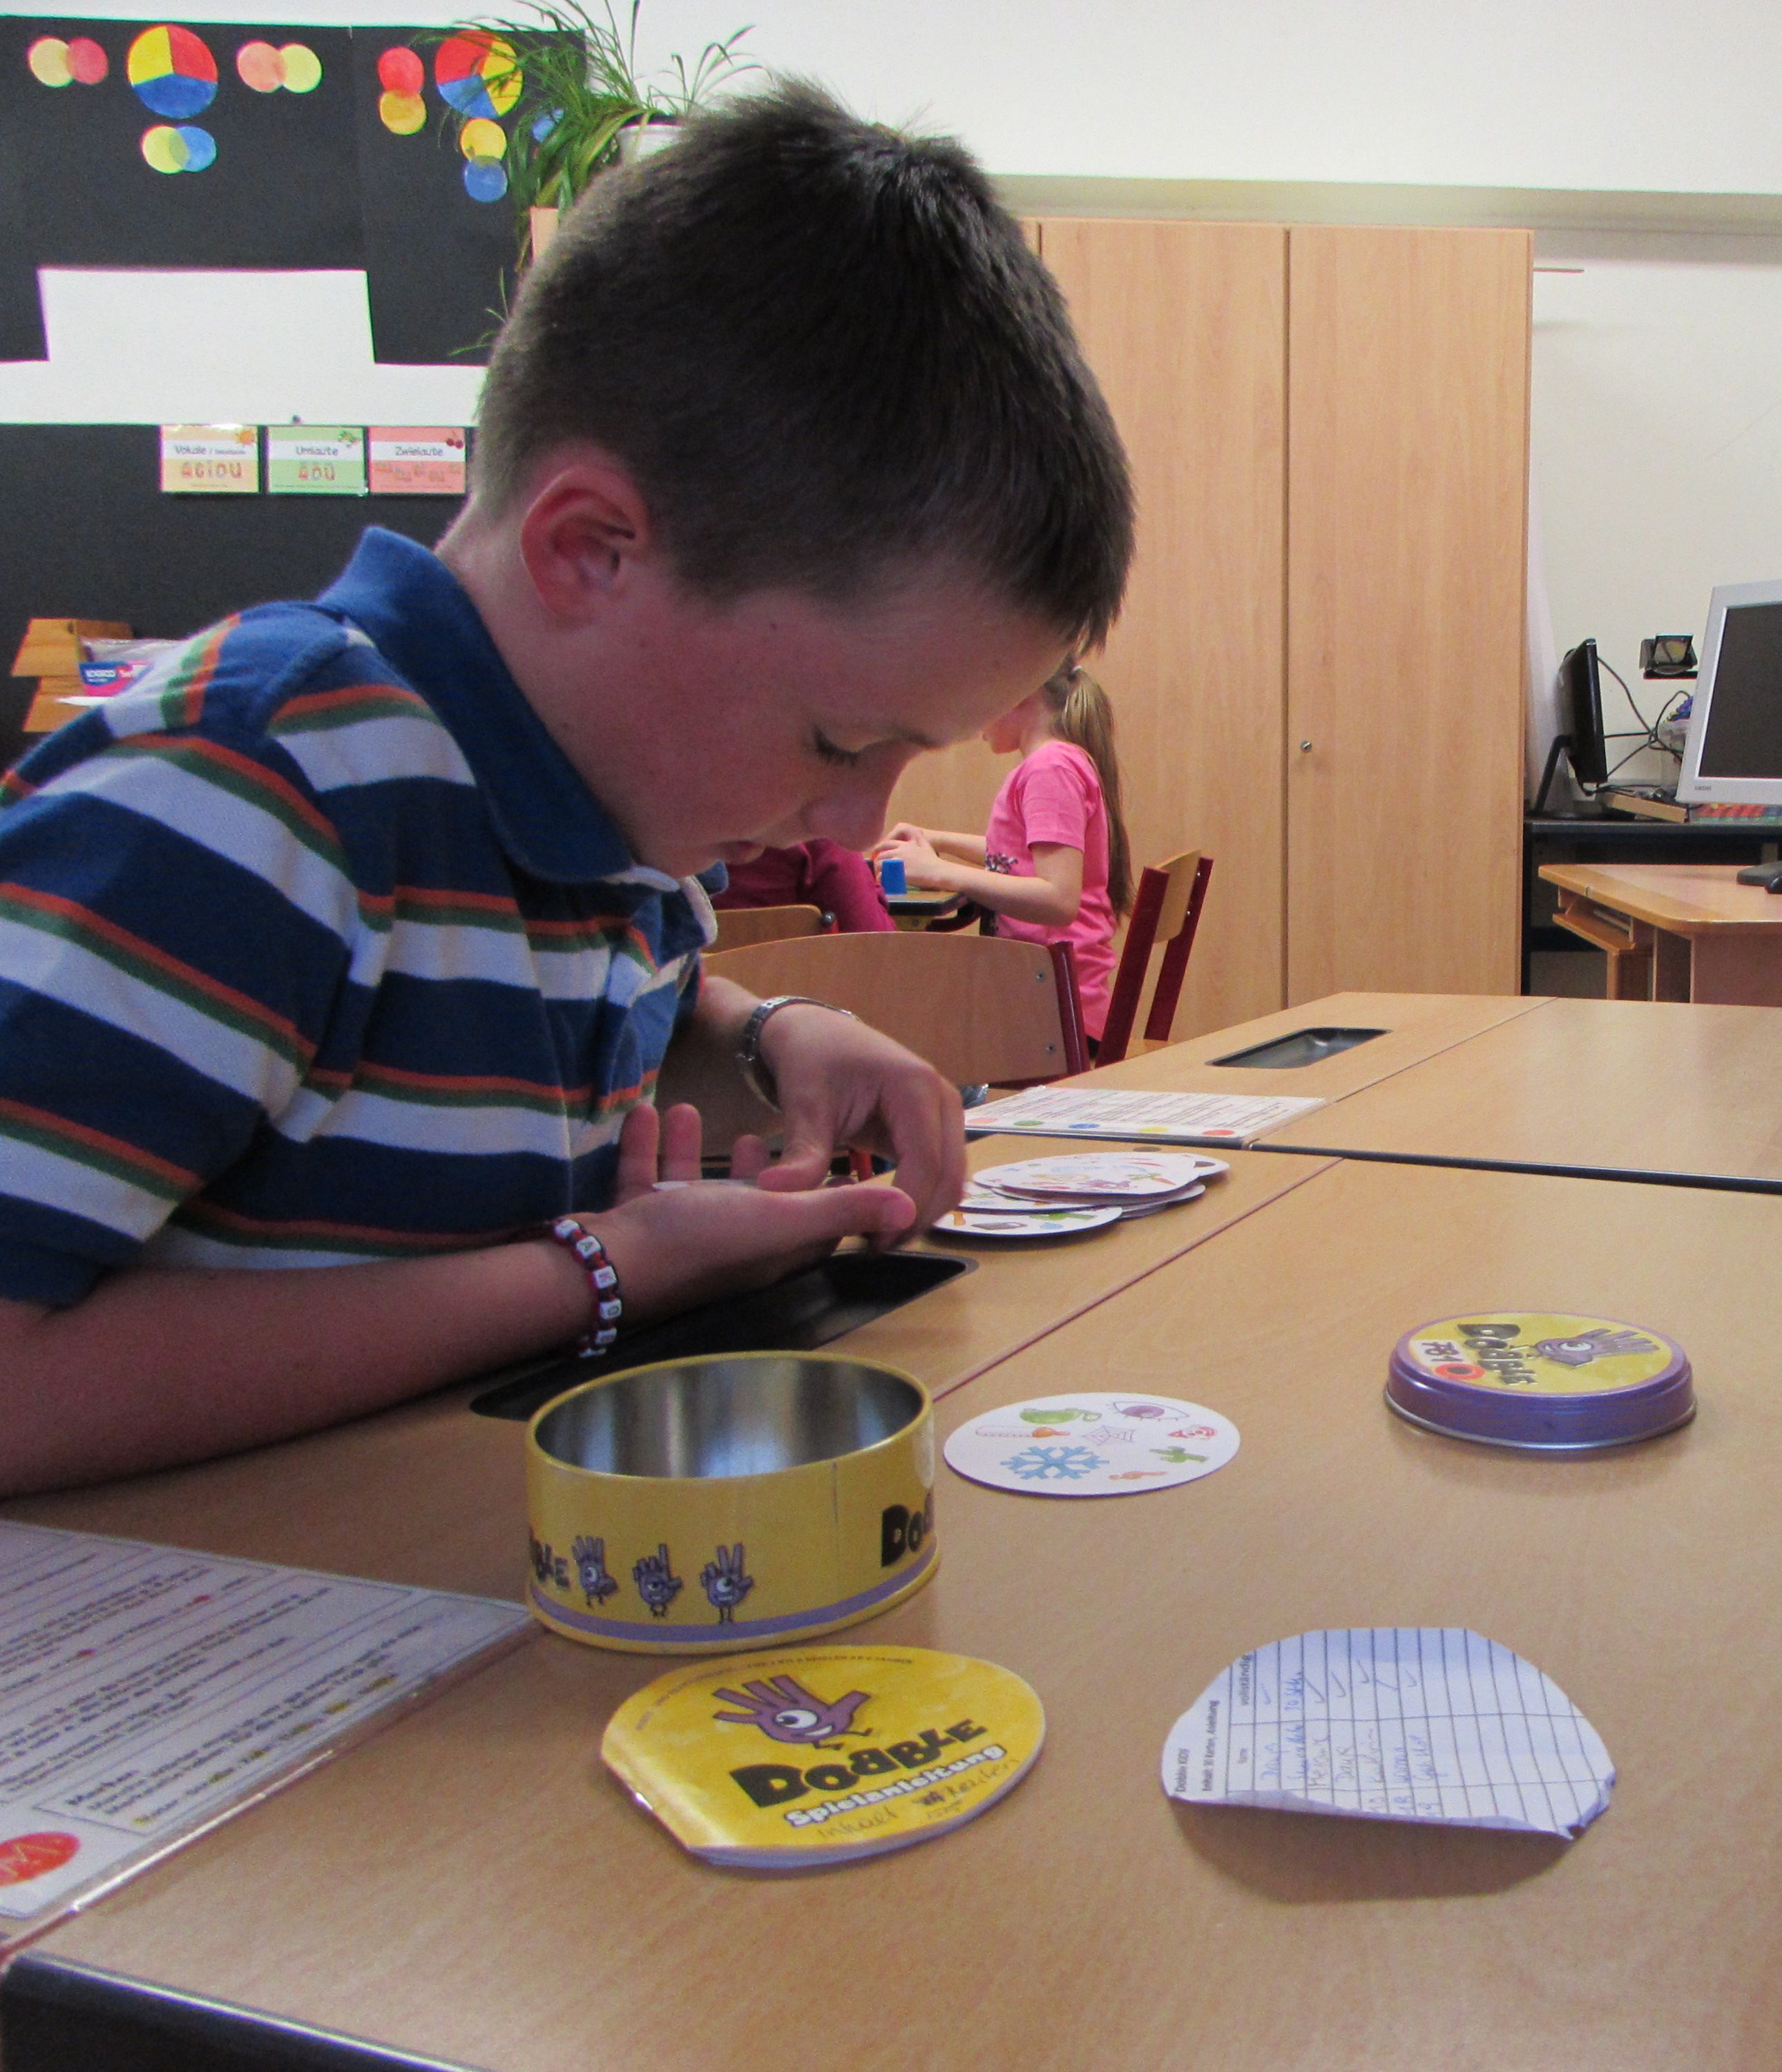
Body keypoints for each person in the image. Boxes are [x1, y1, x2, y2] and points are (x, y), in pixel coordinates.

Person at [0, 83, 1131, 1496]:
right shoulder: (257, 787)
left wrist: (769, 1035)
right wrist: (599, 1273)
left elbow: (530, 1005)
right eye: (842, 743)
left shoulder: (606, 819)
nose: (857, 823)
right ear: (591, 551)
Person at [874, 662, 1134, 1044]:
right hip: (1055, 1003)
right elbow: (1017, 858)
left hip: (1053, 1014)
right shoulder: (1056, 763)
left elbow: (1058, 899)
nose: (972, 723)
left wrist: (938, 872)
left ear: (1020, 693)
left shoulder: (1049, 770)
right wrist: (937, 840)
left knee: (910, 1028)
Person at [716, 838, 895, 933]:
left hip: (702, 984)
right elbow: (876, 946)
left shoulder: (701, 833)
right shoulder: (815, 832)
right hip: (800, 987)